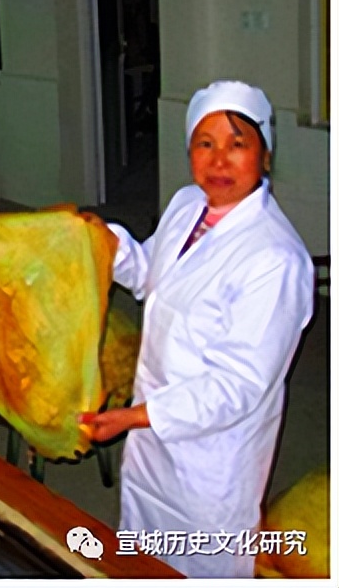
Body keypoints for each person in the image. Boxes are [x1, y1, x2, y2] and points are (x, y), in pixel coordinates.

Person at [80, 80, 315, 578]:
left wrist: (133, 418)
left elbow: (237, 388)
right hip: (152, 441)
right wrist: (108, 244)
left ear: (266, 156)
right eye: (204, 144)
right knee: (144, 554)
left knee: (201, 563)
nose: (219, 161)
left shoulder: (275, 259)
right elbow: (151, 276)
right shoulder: (189, 204)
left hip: (212, 459)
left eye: (237, 144)